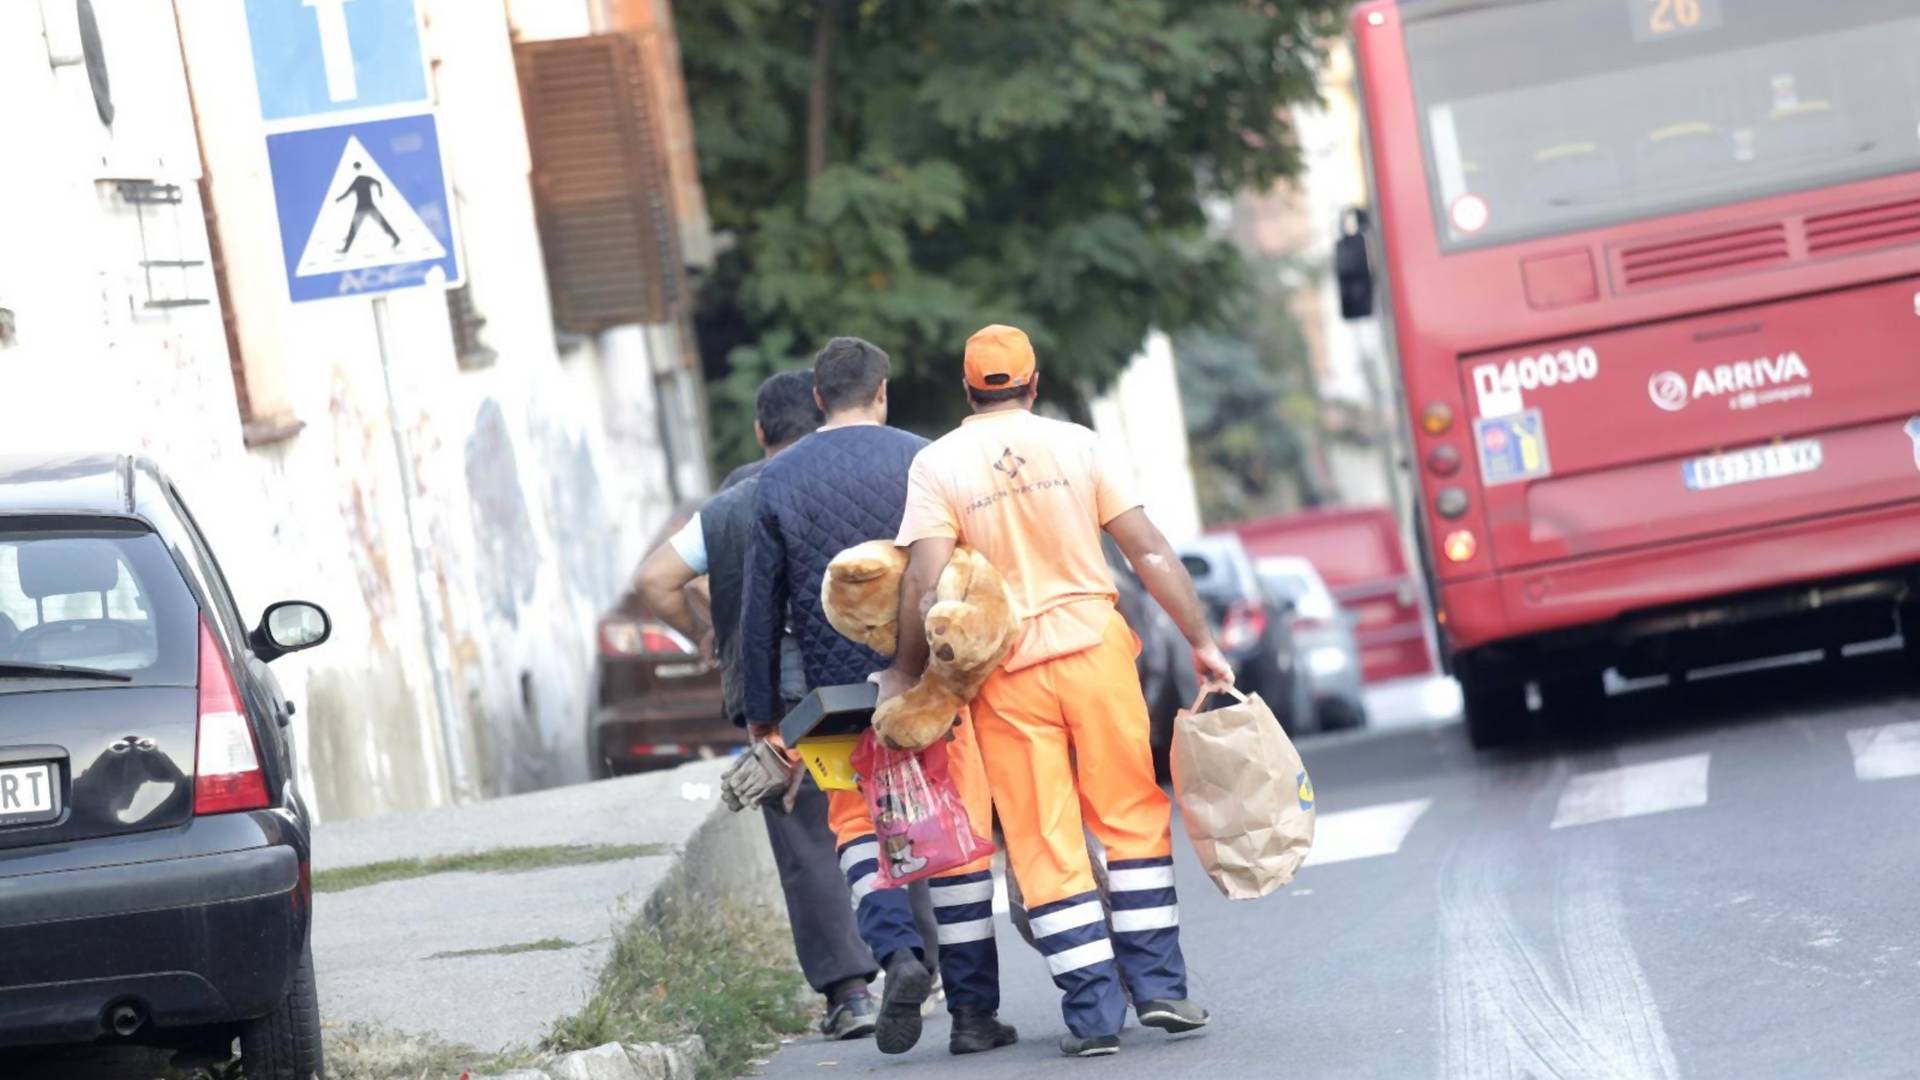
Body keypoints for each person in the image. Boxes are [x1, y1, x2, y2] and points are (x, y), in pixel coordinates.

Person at [877, 324, 1234, 1058]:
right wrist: (1201, 640)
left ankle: (1095, 1016)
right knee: (1131, 816)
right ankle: (1161, 988)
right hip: (1096, 654)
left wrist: (909, 673)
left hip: (1005, 669)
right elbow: (1148, 549)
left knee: (1044, 837)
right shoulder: (1081, 445)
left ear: (970, 391)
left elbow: (921, 579)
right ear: (1033, 382)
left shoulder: (938, 464)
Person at [740, 338, 1016, 1058]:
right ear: (883, 391)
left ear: (819, 398)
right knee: (953, 837)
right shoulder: (924, 459)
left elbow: (761, 611)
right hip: (925, 682)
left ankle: (896, 956)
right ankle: (971, 1013)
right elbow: (962, 570)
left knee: (859, 829)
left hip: (832, 698)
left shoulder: (778, 480)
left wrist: (764, 712)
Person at [634, 371, 879, 1039]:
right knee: (885, 812)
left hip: (782, 703)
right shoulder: (856, 481)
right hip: (864, 687)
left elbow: (655, 580)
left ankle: (850, 993)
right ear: (826, 412)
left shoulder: (734, 504)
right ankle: (920, 961)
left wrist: (710, 634)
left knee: (809, 839)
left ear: (760, 432)